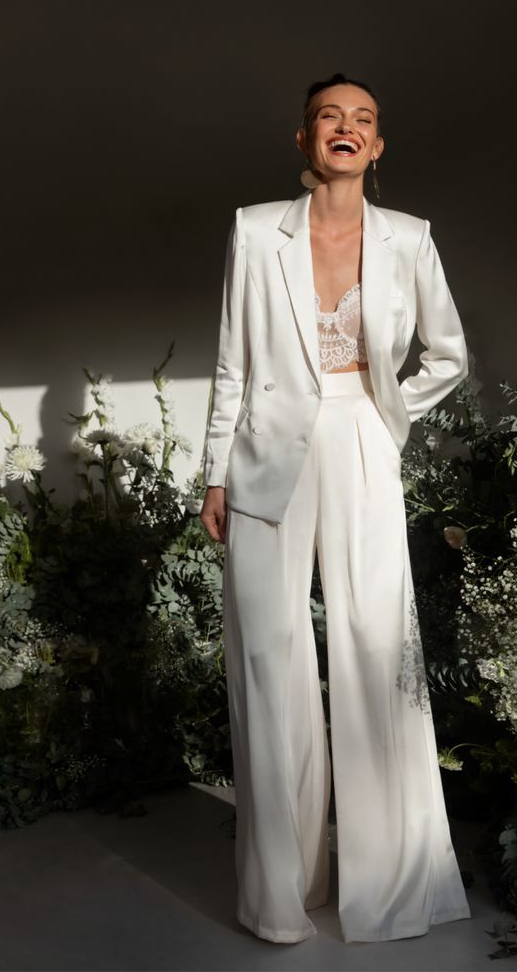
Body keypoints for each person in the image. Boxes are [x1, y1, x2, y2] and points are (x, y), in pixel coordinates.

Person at [199, 72, 471, 945]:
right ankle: (283, 891)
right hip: (266, 455)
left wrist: (383, 418)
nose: (345, 129)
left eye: (362, 120)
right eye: (329, 117)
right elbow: (234, 364)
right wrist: (214, 473)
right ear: (305, 139)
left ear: (378, 145)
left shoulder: (410, 238)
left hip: (361, 439)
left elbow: (448, 352)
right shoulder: (253, 229)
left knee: (373, 643)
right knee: (269, 659)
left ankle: (391, 879)